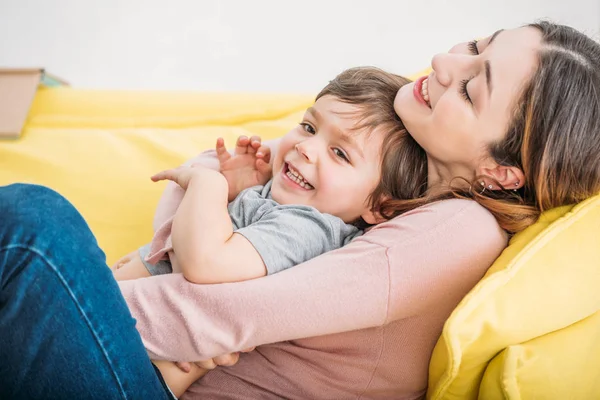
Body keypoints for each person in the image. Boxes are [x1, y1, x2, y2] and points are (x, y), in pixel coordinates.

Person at [0, 20, 599, 400]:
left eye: (472, 88)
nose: (445, 64)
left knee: (37, 228)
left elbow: (225, 309)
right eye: (475, 44)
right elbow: (231, 186)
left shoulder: (457, 230)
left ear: (501, 172)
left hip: (148, 379)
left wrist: (83, 299)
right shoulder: (388, 162)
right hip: (154, 365)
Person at [112, 67, 420, 290]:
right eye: (309, 127)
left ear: (381, 207)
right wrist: (239, 192)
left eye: (340, 153)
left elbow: (202, 264)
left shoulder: (309, 229)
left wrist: (208, 186)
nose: (305, 146)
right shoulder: (289, 201)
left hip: (126, 344)